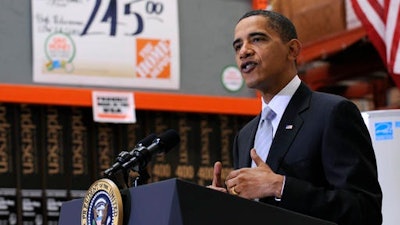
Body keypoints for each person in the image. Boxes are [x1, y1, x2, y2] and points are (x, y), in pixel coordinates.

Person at [209, 9, 382, 225]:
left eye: (257, 39)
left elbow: (364, 211)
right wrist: (224, 206)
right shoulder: (244, 136)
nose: (244, 51)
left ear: (292, 49)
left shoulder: (332, 113)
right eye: (238, 46)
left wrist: (280, 186)